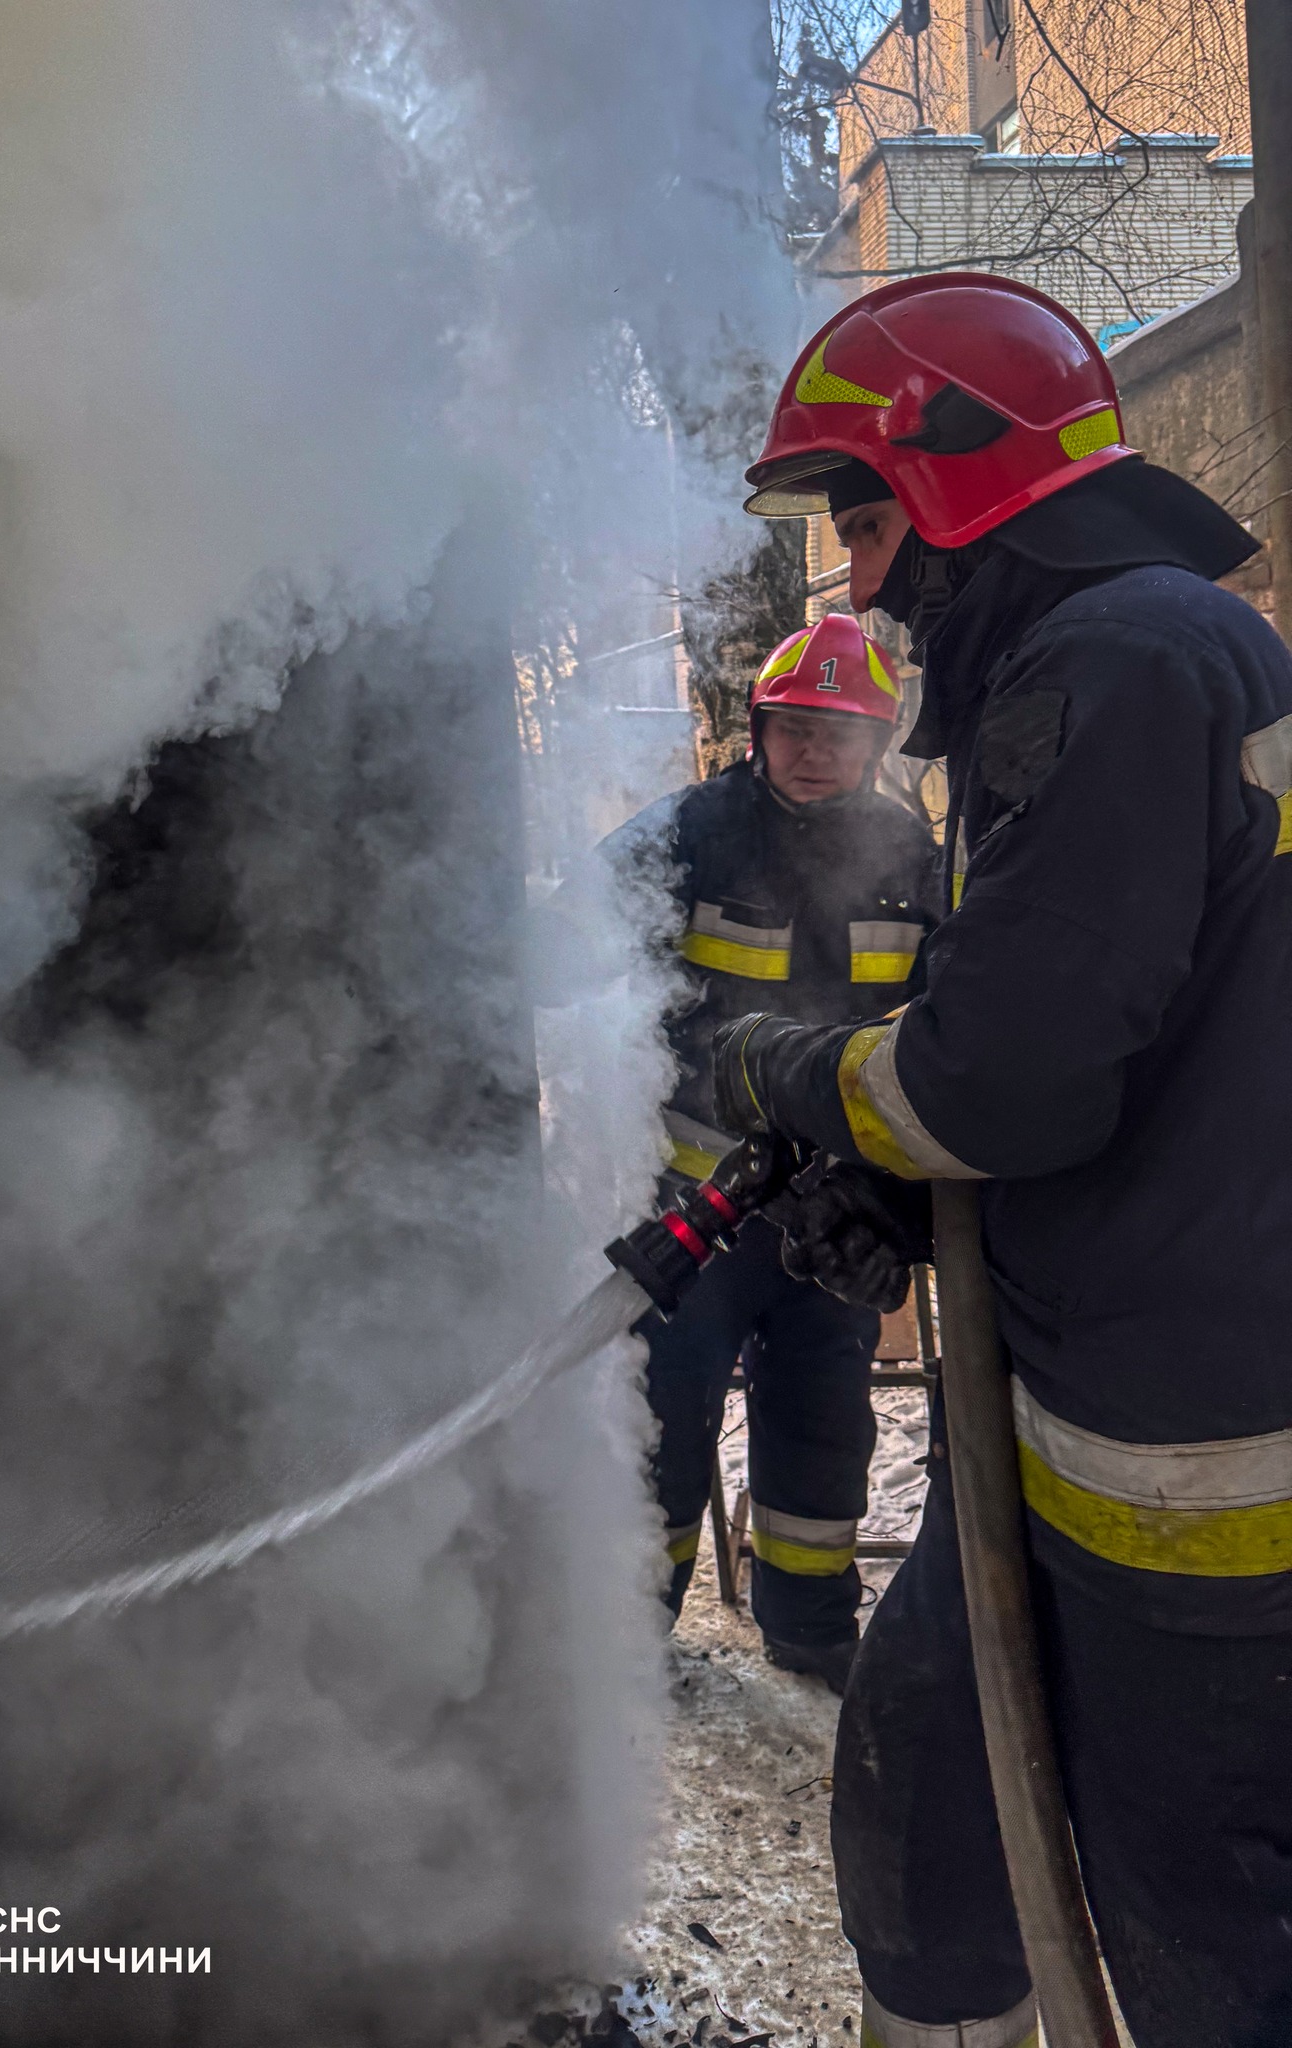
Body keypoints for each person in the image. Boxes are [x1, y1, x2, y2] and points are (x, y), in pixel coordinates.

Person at [714, 272, 1292, 2048]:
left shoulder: (1111, 665)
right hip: (1071, 1397)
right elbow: (1121, 1027)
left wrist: (789, 1072)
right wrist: (907, 1184)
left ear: (958, 483)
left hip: (1197, 1458)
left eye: (866, 523)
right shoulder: (1130, 657)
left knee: (1207, 1943)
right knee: (932, 1813)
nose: (859, 583)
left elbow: (1005, 1083)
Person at [534, 615, 938, 1692]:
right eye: (795, 727)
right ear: (758, 732)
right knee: (665, 1422)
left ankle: (810, 1629)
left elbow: (944, 1021)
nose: (815, 750)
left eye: (841, 733)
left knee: (824, 1420)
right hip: (694, 1206)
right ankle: (632, 1641)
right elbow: (565, 947)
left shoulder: (911, 858)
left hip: (837, 1215)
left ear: (877, 745)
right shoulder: (689, 834)